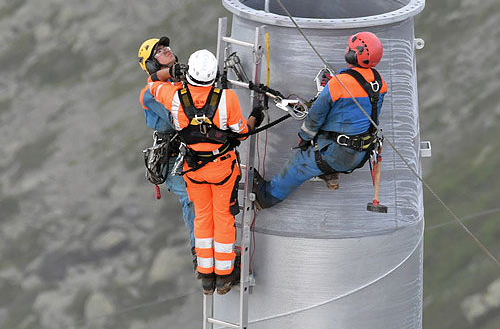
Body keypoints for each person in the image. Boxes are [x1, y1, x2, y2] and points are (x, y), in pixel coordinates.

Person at [147, 49, 263, 295]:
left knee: (202, 217)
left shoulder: (175, 96)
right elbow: (241, 132)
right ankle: (224, 276)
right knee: (223, 217)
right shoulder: (227, 98)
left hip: (193, 169)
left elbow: (152, 83)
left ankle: (207, 277)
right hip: (221, 168)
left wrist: (170, 72)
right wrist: (255, 118)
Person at [254, 31, 388, 208]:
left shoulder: (338, 84)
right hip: (361, 153)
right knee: (332, 135)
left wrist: (304, 137)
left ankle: (267, 197)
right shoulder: (379, 83)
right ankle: (328, 172)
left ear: (353, 54)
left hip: (337, 154)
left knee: (300, 162)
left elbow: (315, 116)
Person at [138, 37, 197, 272]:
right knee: (191, 200)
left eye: (166, 48)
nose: (167, 51)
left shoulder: (181, 82)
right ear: (151, 64)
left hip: (194, 150)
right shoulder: (151, 93)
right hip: (175, 159)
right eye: (160, 51)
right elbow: (180, 119)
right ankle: (200, 256)